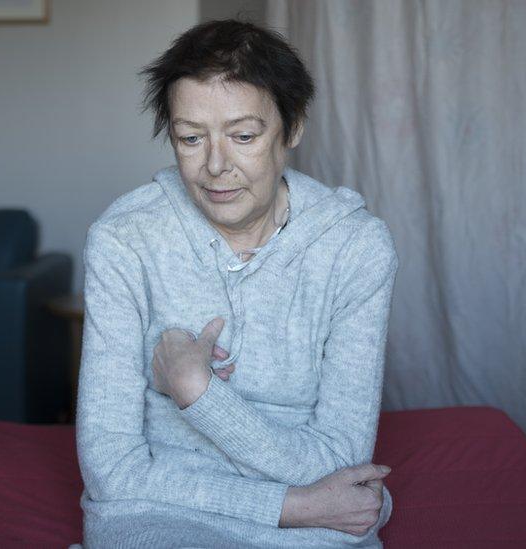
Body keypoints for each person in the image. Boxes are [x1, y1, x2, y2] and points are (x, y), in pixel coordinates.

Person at [74, 19, 399, 549]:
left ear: (292, 128)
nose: (216, 166)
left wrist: (196, 394)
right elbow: (111, 472)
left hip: (308, 527)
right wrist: (295, 507)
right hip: (156, 517)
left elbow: (340, 458)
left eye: (244, 136)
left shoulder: (355, 248)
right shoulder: (123, 240)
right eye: (190, 139)